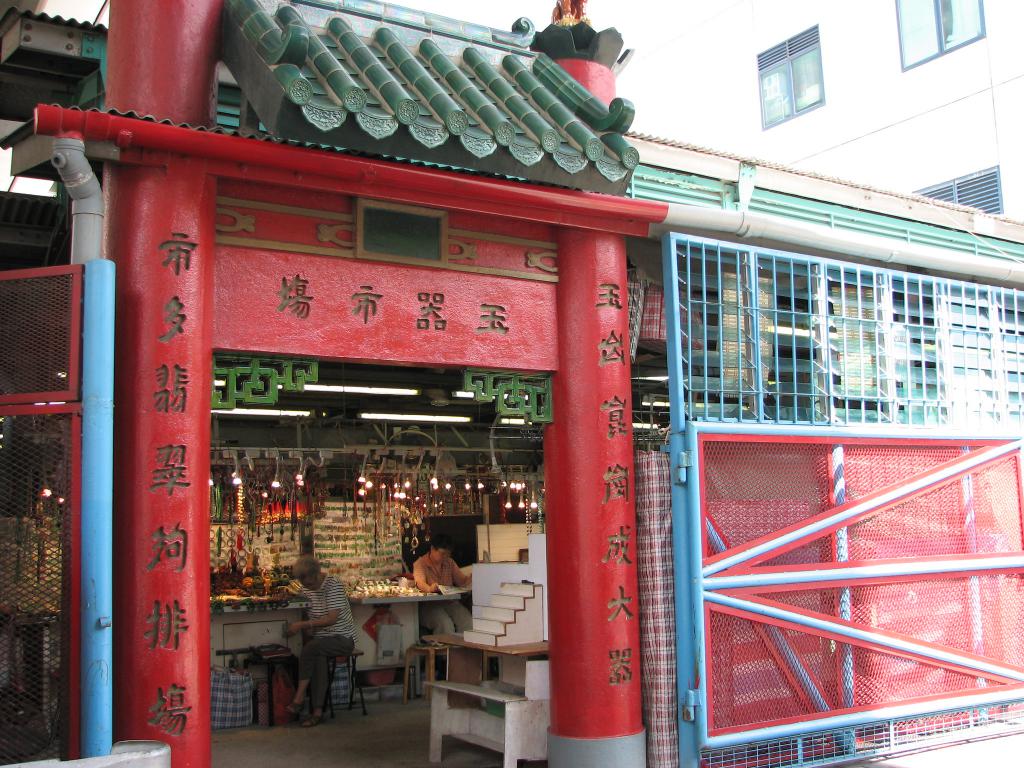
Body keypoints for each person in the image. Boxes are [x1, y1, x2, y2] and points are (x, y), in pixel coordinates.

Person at [284, 555, 356, 727]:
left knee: (310, 649)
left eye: (310, 584)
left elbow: (331, 618)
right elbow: (298, 599)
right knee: (317, 658)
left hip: (342, 638)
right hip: (321, 641)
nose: (308, 587)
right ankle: (317, 712)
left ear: (317, 574)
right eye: (305, 584)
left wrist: (303, 625)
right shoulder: (304, 587)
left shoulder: (333, 585)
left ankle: (299, 697)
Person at [413, 533, 473, 635]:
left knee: (467, 622)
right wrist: (429, 588)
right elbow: (420, 582)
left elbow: (462, 581)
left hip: (449, 602)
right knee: (445, 625)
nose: (445, 557)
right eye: (442, 553)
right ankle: (443, 645)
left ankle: (463, 645)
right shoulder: (420, 563)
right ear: (432, 549)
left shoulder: (449, 562)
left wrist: (475, 574)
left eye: (448, 554)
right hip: (429, 606)